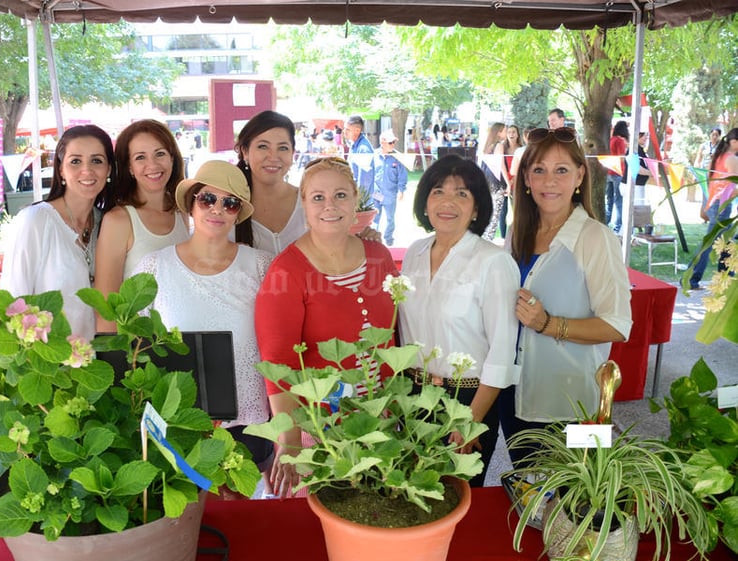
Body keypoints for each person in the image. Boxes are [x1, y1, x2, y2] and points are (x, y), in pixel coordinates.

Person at [255, 157, 398, 497]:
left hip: (382, 418)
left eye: (340, 195)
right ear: (303, 204)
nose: (329, 206)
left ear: (355, 201)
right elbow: (278, 362)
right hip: (319, 427)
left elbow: (394, 334)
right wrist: (289, 440)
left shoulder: (380, 256)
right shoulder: (287, 271)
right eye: (317, 197)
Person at [133, 160, 274, 484]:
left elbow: (278, 345)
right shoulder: (154, 266)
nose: (217, 209)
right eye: (207, 199)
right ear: (191, 204)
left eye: (230, 202)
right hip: (176, 424)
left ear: (238, 212)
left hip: (249, 427)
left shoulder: (262, 266)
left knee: (243, 521)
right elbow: (136, 345)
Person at [500, 126, 632, 467]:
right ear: (526, 178)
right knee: (531, 491)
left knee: (579, 507)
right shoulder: (517, 232)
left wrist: (548, 324)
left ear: (580, 176)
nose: (549, 181)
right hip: (516, 394)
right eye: (539, 170)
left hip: (577, 403)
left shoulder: (596, 238)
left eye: (561, 170)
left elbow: (618, 326)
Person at [398, 155, 520, 487]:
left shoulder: (493, 262)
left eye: (462, 194)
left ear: (477, 209)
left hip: (465, 400)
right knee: (411, 494)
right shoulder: (414, 252)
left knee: (456, 499)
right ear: (425, 201)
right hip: (413, 396)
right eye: (438, 191)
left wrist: (471, 420)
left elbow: (502, 351)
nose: (448, 201)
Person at [0, 125, 116, 341]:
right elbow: (12, 302)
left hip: (99, 361)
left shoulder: (108, 223)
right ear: (61, 169)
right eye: (75, 161)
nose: (87, 170)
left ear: (108, 170)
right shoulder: (36, 221)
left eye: (97, 161)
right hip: (49, 363)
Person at [94, 119, 189, 332]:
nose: (153, 165)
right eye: (140, 157)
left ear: (172, 158)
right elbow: (105, 309)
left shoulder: (182, 211)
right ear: (129, 167)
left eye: (160, 154)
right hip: (139, 348)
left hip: (181, 338)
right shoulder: (118, 220)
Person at [233, 110, 305, 255]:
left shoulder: (310, 202)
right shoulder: (226, 206)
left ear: (293, 154)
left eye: (283, 148)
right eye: (263, 146)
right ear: (245, 151)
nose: (273, 157)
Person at [688, 127, 738, 290]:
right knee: (710, 242)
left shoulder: (718, 156)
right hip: (721, 204)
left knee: (727, 240)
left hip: (714, 201)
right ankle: (692, 277)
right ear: (734, 142)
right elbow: (734, 183)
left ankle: (725, 277)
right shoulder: (731, 159)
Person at [373, 130, 408, 246]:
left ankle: (388, 238)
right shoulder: (374, 155)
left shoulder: (397, 157)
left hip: (390, 194)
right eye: (390, 142)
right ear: (382, 142)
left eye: (394, 142)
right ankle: (374, 238)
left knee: (390, 219)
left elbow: (402, 175)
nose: (393, 145)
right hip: (376, 193)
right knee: (374, 218)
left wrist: (401, 190)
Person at [493, 124, 523, 238]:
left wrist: (513, 181)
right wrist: (507, 182)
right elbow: (501, 165)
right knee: (503, 211)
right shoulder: (502, 148)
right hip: (503, 181)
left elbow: (521, 167)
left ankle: (516, 235)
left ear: (518, 134)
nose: (511, 134)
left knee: (517, 210)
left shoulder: (521, 148)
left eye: (514, 132)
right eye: (509, 132)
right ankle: (503, 237)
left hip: (517, 182)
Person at [480, 122, 507, 240]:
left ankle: (485, 238)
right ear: (499, 132)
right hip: (496, 181)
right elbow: (500, 165)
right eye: (505, 130)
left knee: (489, 211)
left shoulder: (487, 146)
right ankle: (488, 239)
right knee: (495, 213)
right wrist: (508, 182)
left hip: (487, 180)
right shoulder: (499, 145)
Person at [605, 120, 630, 234]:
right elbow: (621, 157)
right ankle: (617, 227)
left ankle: (605, 224)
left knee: (609, 200)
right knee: (619, 201)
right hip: (617, 172)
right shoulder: (620, 141)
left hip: (608, 173)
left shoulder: (611, 140)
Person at [343, 115, 375, 198]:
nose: (344, 132)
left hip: (362, 201)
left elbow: (365, 180)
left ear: (357, 130)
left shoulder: (363, 150)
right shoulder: (354, 145)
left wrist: (359, 200)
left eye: (347, 129)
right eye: (344, 128)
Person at [692, 127, 721, 203]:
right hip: (704, 173)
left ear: (719, 136)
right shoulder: (703, 146)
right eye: (713, 134)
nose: (714, 137)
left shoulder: (721, 147)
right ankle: (705, 210)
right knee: (705, 193)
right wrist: (695, 174)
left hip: (715, 174)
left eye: (716, 135)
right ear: (710, 135)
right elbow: (698, 160)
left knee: (713, 194)